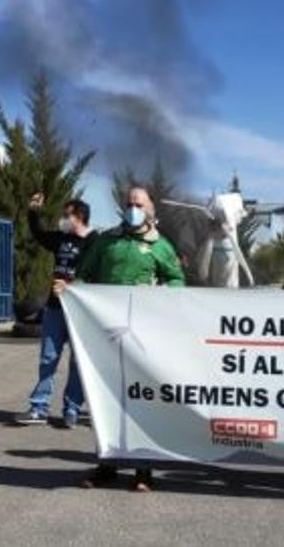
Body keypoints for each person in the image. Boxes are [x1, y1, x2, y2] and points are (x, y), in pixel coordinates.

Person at [76, 185, 185, 493]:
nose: (132, 207)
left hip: (143, 337)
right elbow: (85, 275)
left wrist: (162, 293)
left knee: (139, 400)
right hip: (105, 334)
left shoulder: (160, 246)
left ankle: (143, 469)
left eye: (139, 203)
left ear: (150, 209)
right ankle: (106, 464)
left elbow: (178, 280)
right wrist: (69, 290)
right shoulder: (106, 241)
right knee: (104, 399)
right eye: (128, 203)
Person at [16, 193, 96, 428]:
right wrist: (33, 212)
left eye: (67, 215)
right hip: (54, 308)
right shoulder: (61, 238)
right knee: (48, 358)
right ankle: (38, 407)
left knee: (77, 362)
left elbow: (97, 276)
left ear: (79, 217)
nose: (63, 219)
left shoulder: (95, 242)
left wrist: (72, 287)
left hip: (81, 312)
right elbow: (39, 234)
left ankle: (72, 409)